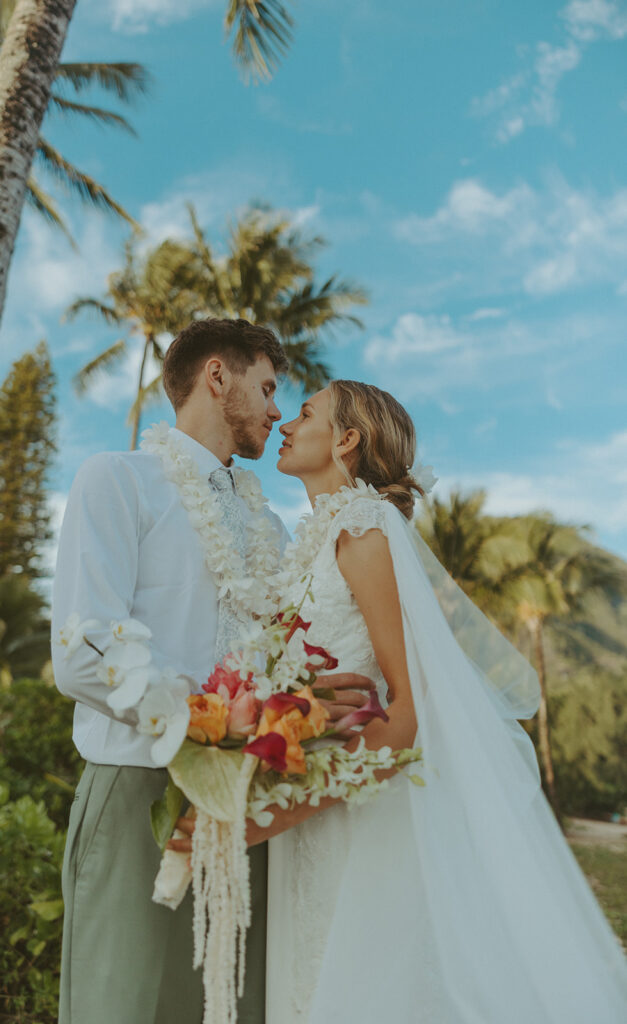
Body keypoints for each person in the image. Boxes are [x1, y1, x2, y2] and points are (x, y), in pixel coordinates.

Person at [175, 379, 627, 1022]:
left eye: (304, 414)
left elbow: (408, 714)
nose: (286, 424)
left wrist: (264, 819)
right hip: (313, 815)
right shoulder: (311, 544)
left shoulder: (364, 531)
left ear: (346, 440)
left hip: (358, 824)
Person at [51, 322, 374, 1024]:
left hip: (246, 805)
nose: (275, 411)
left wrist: (296, 709)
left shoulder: (273, 529)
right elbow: (82, 651)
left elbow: (277, 660)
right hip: (137, 788)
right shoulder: (117, 479)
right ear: (217, 377)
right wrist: (218, 719)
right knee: (118, 1003)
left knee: (227, 1007)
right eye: (265, 387)